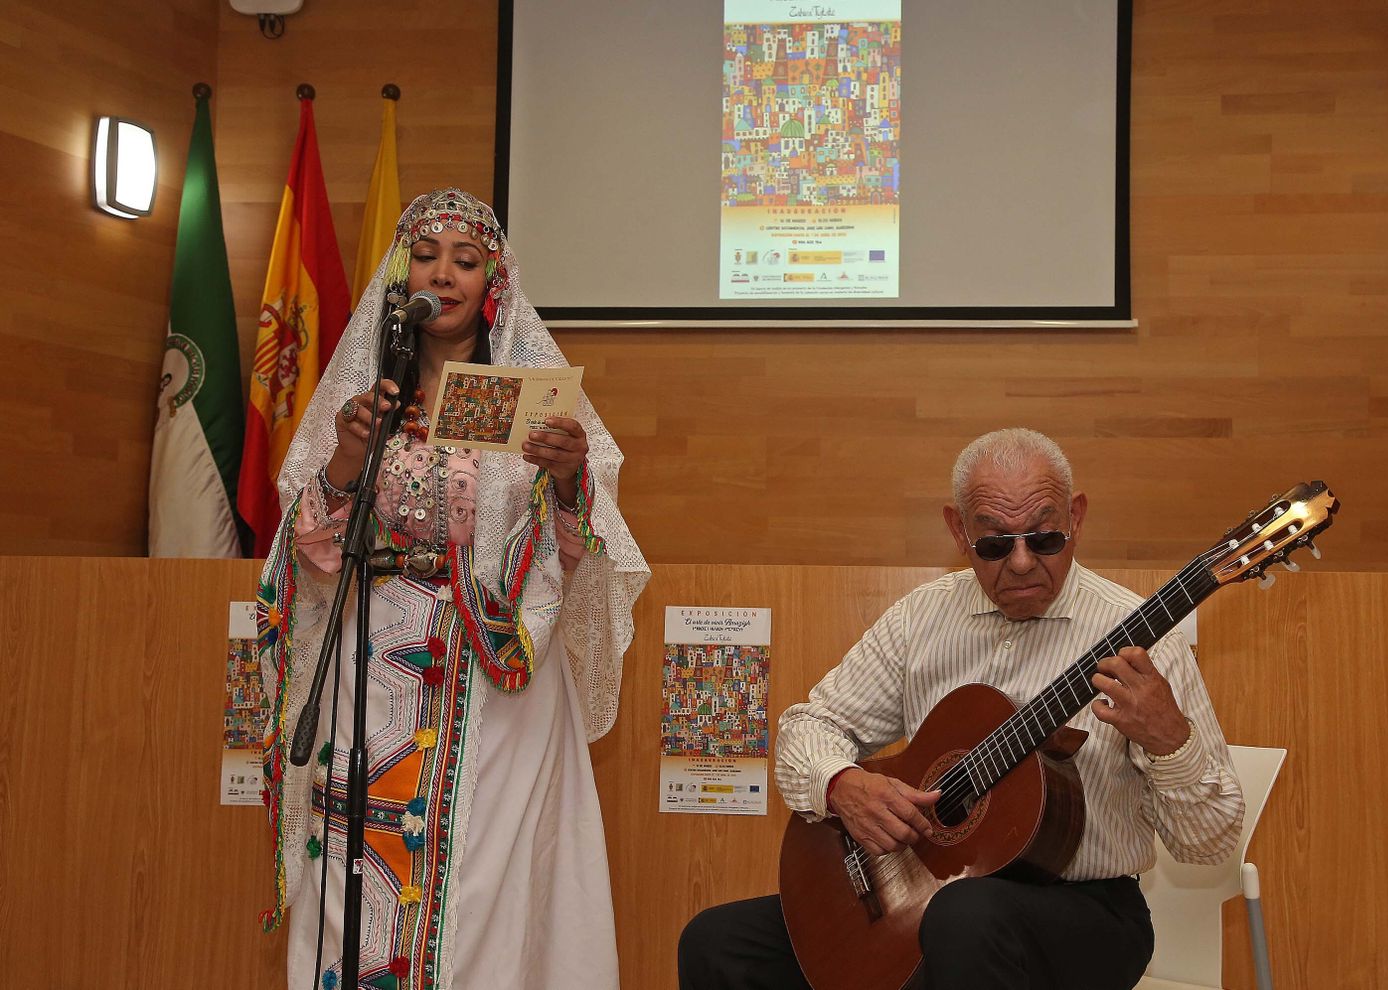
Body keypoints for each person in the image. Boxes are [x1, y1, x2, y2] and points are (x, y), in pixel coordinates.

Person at [678, 428, 1244, 990]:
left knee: (964, 917)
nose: (1021, 563)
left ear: (1076, 517)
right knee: (716, 942)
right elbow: (810, 725)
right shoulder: (920, 620)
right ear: (958, 530)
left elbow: (1208, 844)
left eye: (1044, 539)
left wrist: (1173, 743)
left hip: (1087, 914)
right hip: (925, 892)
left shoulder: (1146, 641)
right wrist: (840, 784)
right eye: (995, 544)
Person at [255, 188, 650, 990]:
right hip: (370, 677)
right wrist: (343, 460)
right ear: (401, 279)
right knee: (352, 883)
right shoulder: (360, 395)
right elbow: (301, 554)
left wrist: (569, 479)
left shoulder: (527, 398)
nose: (445, 273)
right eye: (427, 257)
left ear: (493, 281)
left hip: (496, 679)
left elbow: (582, 554)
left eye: (465, 261)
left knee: (483, 891)